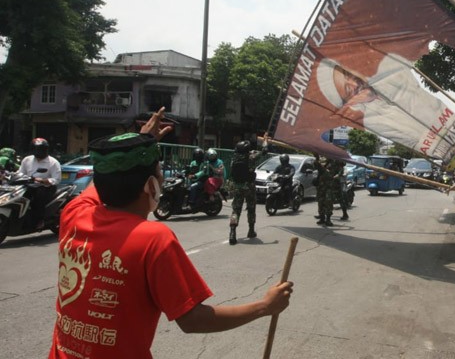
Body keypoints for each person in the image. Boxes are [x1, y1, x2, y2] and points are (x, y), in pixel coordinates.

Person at [49, 108, 293, 359]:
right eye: (159, 171)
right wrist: (265, 306)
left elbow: (105, 176)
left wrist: (139, 140)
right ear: (150, 185)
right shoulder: (152, 238)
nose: (162, 178)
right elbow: (193, 320)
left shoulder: (74, 214)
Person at [316, 55, 455, 161]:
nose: (355, 83)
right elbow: (417, 140)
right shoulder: (378, 123)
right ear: (350, 103)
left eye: (349, 75)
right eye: (348, 89)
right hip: (447, 146)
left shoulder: (388, 67)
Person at [19, 138, 61, 230]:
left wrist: (42, 180)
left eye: (41, 149)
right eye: (37, 149)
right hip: (29, 185)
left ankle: (40, 220)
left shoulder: (53, 162)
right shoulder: (27, 160)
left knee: (38, 198)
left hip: (46, 187)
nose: (39, 152)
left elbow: (56, 179)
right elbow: (20, 173)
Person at [229, 140, 261, 245]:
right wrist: (265, 142)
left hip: (237, 187)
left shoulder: (233, 159)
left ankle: (232, 232)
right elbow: (264, 151)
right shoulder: (251, 158)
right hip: (249, 187)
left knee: (235, 210)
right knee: (251, 208)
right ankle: (251, 230)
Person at [314, 154, 343, 226]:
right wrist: (316, 157)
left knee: (329, 202)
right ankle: (322, 218)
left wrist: (338, 175)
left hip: (329, 186)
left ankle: (328, 219)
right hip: (321, 186)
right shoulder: (322, 163)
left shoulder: (334, 163)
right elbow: (317, 165)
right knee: (320, 202)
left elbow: (341, 169)